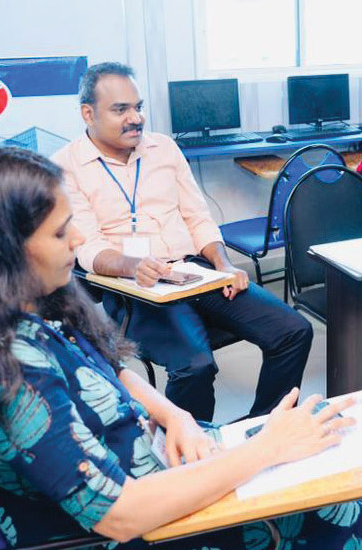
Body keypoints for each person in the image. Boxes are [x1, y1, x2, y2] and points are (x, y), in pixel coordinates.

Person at [0, 146, 362, 550]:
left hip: (156, 471)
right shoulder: (11, 370)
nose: (77, 242)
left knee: (310, 473)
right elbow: (122, 514)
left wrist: (176, 418)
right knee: (343, 516)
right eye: (61, 232)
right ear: (1, 250)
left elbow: (108, 370)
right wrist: (265, 449)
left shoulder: (20, 307)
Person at [50, 62, 312, 422]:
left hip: (193, 271)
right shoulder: (65, 166)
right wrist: (134, 265)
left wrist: (224, 266)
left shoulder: (164, 148)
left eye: (138, 107)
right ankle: (194, 453)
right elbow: (89, 247)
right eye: (120, 109)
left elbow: (198, 217)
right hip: (133, 288)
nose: (136, 118)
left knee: (293, 331)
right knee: (197, 366)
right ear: (88, 113)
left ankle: (265, 428)